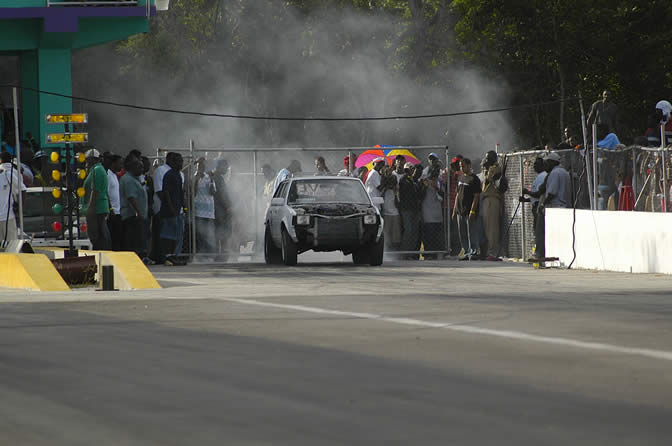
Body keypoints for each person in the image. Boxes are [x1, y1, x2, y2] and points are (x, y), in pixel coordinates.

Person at [523, 152, 570, 261]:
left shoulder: (554, 173)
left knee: (541, 231)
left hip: (555, 207)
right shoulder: (563, 172)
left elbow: (551, 193)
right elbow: (542, 190)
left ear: (552, 162)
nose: (545, 165)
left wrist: (543, 205)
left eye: (547, 162)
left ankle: (540, 254)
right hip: (564, 207)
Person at [81, 148, 111, 250]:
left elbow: (95, 191)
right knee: (100, 234)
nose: (86, 162)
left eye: (87, 160)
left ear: (93, 159)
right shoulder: (96, 170)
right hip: (98, 207)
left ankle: (101, 254)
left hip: (96, 208)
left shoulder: (96, 170)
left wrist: (90, 209)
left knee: (96, 236)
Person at [453, 158, 481, 260]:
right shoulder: (460, 178)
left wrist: (472, 211)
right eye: (460, 166)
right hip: (460, 211)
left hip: (469, 211)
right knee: (462, 232)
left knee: (471, 232)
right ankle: (466, 251)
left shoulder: (474, 179)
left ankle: (474, 252)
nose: (461, 168)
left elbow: (476, 196)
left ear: (469, 165)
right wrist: (455, 210)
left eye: (463, 166)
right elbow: (457, 194)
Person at [119, 156, 148, 258]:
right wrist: (138, 212)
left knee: (139, 240)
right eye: (139, 167)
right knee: (133, 241)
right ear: (132, 167)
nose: (142, 169)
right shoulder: (128, 180)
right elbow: (131, 198)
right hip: (132, 217)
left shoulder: (135, 179)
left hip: (137, 216)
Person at [159, 153, 184, 264]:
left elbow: (180, 192)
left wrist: (184, 206)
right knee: (168, 234)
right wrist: (171, 208)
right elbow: (166, 193)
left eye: (181, 161)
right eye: (179, 161)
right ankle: (167, 256)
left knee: (177, 234)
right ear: (173, 162)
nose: (181, 163)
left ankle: (174, 256)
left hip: (177, 210)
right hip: (169, 211)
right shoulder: (169, 175)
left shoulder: (178, 174)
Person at [149, 152, 174, 263]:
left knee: (168, 234)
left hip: (170, 209)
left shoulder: (174, 172)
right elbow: (159, 191)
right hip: (160, 208)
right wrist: (168, 206)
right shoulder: (160, 171)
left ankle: (167, 256)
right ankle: (158, 257)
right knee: (159, 232)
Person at [479, 150, 504, 260]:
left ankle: (492, 251)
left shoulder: (495, 168)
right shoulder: (488, 168)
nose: (486, 160)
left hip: (492, 199)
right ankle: (487, 250)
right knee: (486, 226)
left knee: (492, 227)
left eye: (488, 158)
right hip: (486, 199)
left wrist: (486, 168)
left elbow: (489, 179)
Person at [420, 164, 445, 259]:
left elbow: (443, 196)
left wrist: (437, 188)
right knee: (429, 233)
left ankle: (436, 253)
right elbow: (420, 196)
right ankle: (428, 253)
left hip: (437, 212)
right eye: (433, 172)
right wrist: (426, 186)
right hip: (427, 212)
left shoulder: (439, 182)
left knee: (437, 234)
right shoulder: (424, 181)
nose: (435, 174)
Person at [397, 162, 422, 259]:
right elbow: (408, 191)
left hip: (415, 209)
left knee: (415, 231)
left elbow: (418, 194)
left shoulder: (413, 180)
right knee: (408, 230)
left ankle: (411, 253)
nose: (411, 170)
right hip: (406, 209)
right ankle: (405, 253)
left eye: (412, 169)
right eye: (409, 169)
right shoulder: (404, 180)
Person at [193, 157, 216, 253]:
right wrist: (197, 180)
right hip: (198, 209)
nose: (200, 168)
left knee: (207, 233)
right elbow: (192, 192)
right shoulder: (194, 177)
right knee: (198, 233)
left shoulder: (208, 177)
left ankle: (207, 253)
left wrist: (211, 180)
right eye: (198, 166)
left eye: (202, 166)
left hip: (208, 210)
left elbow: (213, 192)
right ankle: (199, 252)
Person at [0, 151, 24, 244]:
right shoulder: (12, 172)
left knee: (10, 246)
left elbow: (22, 189)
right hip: (7, 217)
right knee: (11, 247)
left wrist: (18, 209)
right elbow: (22, 189)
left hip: (7, 216)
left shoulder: (8, 173)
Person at [104, 153, 123, 250]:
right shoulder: (108, 176)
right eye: (120, 163)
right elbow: (105, 194)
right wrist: (110, 209)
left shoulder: (114, 175)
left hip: (118, 211)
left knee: (118, 237)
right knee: (113, 237)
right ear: (114, 163)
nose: (121, 166)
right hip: (112, 212)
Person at [380, 166, 401, 251]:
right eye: (387, 171)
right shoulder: (383, 182)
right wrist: (386, 187)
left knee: (395, 235)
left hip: (395, 212)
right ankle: (387, 250)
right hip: (386, 211)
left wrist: (393, 189)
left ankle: (395, 250)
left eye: (390, 171)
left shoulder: (395, 185)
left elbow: (397, 200)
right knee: (386, 233)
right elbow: (381, 192)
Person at [213, 159, 232, 258]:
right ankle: (222, 255)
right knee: (222, 232)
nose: (227, 169)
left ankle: (220, 254)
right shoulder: (218, 178)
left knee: (219, 232)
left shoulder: (217, 177)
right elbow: (222, 194)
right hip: (220, 209)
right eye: (225, 166)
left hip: (218, 208)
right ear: (220, 166)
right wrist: (228, 207)